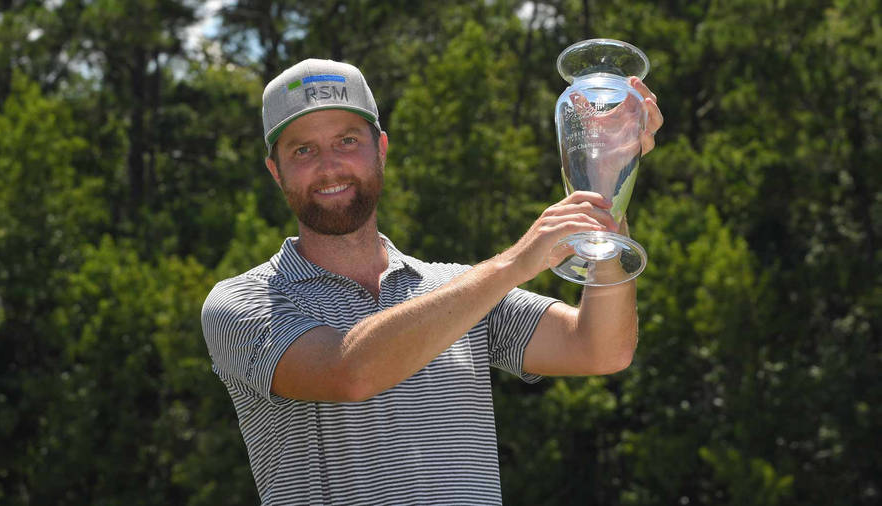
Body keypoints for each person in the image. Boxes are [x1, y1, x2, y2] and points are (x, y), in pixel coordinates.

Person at [201, 58, 663, 505]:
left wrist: (606, 186)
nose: (329, 167)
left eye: (347, 141)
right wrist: (514, 263)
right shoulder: (242, 302)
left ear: (380, 149)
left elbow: (600, 348)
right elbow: (350, 372)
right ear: (275, 171)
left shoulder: (457, 286)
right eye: (303, 150)